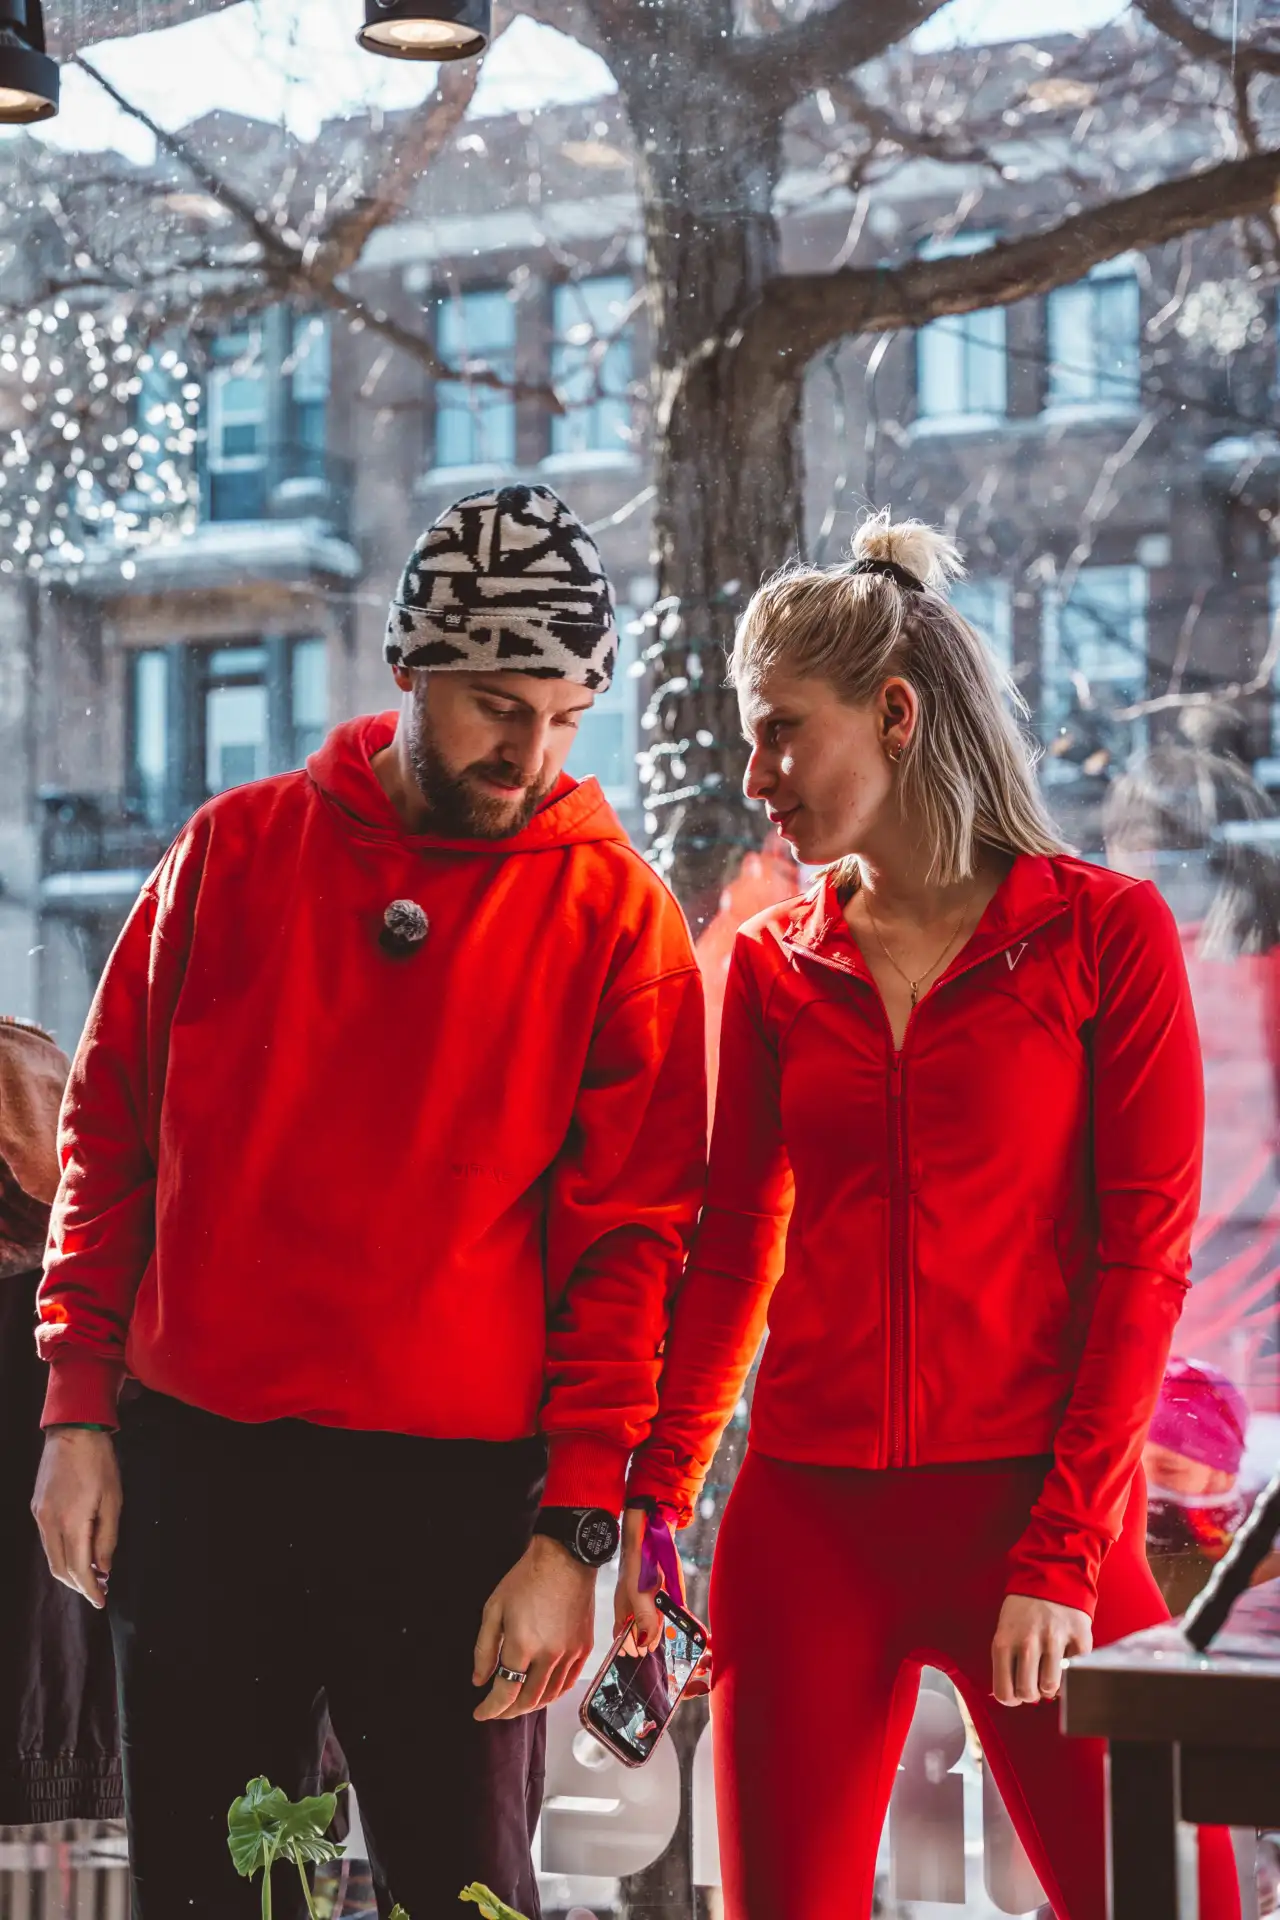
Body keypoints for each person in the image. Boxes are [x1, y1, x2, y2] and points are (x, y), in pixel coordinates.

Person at [31, 482, 707, 1920]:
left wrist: (577, 1532)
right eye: (496, 707)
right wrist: (77, 1410)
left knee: (462, 1897)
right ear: (408, 663)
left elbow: (630, 1253)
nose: (529, 754)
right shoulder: (231, 853)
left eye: (564, 716)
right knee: (206, 1897)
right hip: (204, 1477)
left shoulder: (614, 915)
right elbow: (109, 1138)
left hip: (459, 1511)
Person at [618, 512, 1241, 1920]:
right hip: (808, 1527)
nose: (756, 776)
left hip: (1038, 1512)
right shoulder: (775, 970)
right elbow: (735, 1249)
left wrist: (1064, 1553)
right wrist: (659, 1498)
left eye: (783, 732)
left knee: (1179, 1901)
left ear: (894, 717)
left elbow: (1143, 1265)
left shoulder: (1104, 935)